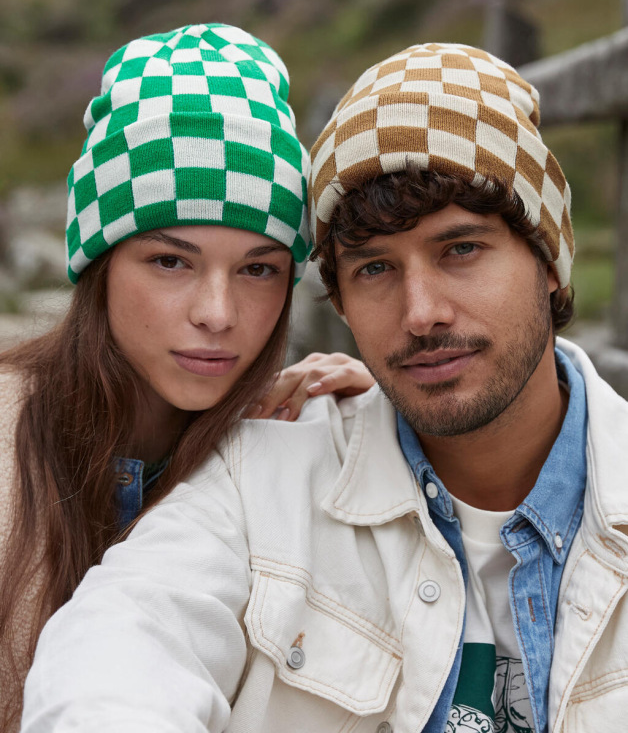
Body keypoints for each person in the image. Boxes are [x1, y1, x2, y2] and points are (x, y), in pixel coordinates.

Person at [21, 44, 628, 732]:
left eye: (460, 250)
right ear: (337, 300)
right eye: (374, 269)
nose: (421, 311)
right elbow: (122, 649)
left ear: (551, 262)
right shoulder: (256, 475)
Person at [0, 22, 374, 732]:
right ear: (99, 263)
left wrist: (385, 414)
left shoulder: (285, 435)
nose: (217, 313)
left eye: (259, 269)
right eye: (171, 261)